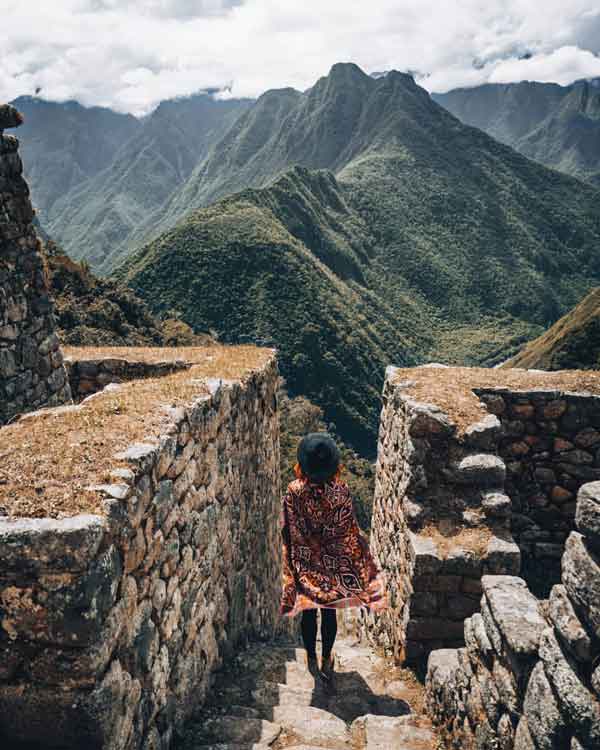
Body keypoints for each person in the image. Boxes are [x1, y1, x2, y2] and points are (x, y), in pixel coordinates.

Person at [279, 432, 387, 682]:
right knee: (329, 612)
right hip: (332, 561)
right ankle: (327, 658)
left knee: (308, 611)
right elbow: (348, 528)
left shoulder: (293, 491)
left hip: (305, 561)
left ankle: (310, 658)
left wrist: (293, 559)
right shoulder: (341, 491)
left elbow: (288, 527)